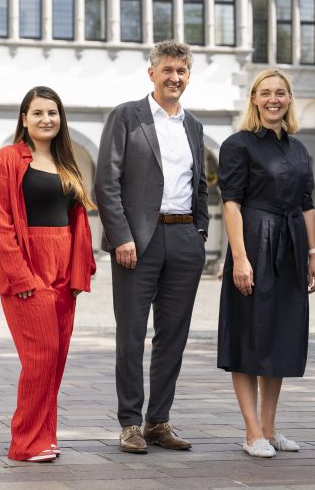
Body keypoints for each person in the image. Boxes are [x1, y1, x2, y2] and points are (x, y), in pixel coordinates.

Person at [94, 40, 208, 454]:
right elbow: (106, 182)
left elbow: (201, 185)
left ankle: (158, 420)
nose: (174, 78)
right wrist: (121, 236)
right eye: (167, 70)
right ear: (152, 74)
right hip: (137, 241)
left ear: (188, 77)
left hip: (184, 238)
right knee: (131, 334)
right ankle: (129, 423)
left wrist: (200, 233)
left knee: (173, 335)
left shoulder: (193, 125)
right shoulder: (128, 116)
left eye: (181, 71)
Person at [0, 86, 96, 462]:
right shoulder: (7, 159)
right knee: (41, 357)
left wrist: (79, 273)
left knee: (57, 358)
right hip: (28, 270)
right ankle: (25, 442)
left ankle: (45, 437)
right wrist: (20, 276)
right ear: (24, 118)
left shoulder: (67, 163)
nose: (47, 119)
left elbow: (77, 221)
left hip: (64, 272)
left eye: (53, 112)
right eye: (38, 113)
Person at [217, 69, 315, 458]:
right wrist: (241, 258)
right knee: (249, 335)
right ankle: (251, 431)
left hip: (292, 245)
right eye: (265, 93)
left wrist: (313, 253)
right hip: (255, 243)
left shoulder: (298, 149)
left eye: (280, 92)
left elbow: (308, 203)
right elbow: (231, 203)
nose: (273, 99)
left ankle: (271, 428)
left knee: (279, 337)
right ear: (254, 99)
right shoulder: (238, 144)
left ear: (290, 98)